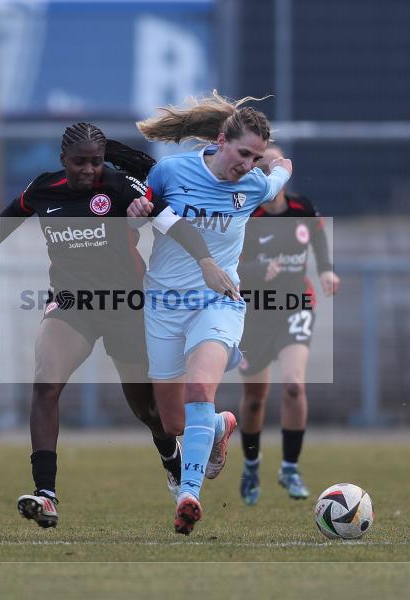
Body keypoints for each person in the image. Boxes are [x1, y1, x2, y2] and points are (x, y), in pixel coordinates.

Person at [0, 122, 235, 528]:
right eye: (80, 162)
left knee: (151, 413)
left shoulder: (119, 187)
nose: (89, 170)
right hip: (70, 304)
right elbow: (13, 211)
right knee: (45, 384)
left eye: (96, 162)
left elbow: (173, 222)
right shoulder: (44, 189)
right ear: (63, 160)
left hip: (127, 307)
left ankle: (180, 457)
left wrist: (205, 261)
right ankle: (46, 494)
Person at [131, 91, 293, 534]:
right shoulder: (170, 170)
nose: (247, 164)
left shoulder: (255, 184)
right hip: (163, 304)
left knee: (200, 386)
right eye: (243, 153)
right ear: (221, 141)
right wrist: (135, 212)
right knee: (172, 422)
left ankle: (189, 496)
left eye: (255, 157)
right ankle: (220, 427)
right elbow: (139, 217)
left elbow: (280, 173)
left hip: (218, 302)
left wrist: (274, 162)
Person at [235, 144, 339, 506]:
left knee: (294, 385)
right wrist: (256, 272)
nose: (269, 173)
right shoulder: (246, 216)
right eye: (262, 167)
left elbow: (318, 238)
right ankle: (251, 465)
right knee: (253, 400)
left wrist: (325, 269)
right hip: (255, 313)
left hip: (296, 304)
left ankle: (290, 467)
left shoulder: (302, 208)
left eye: (275, 166)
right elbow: (228, 269)